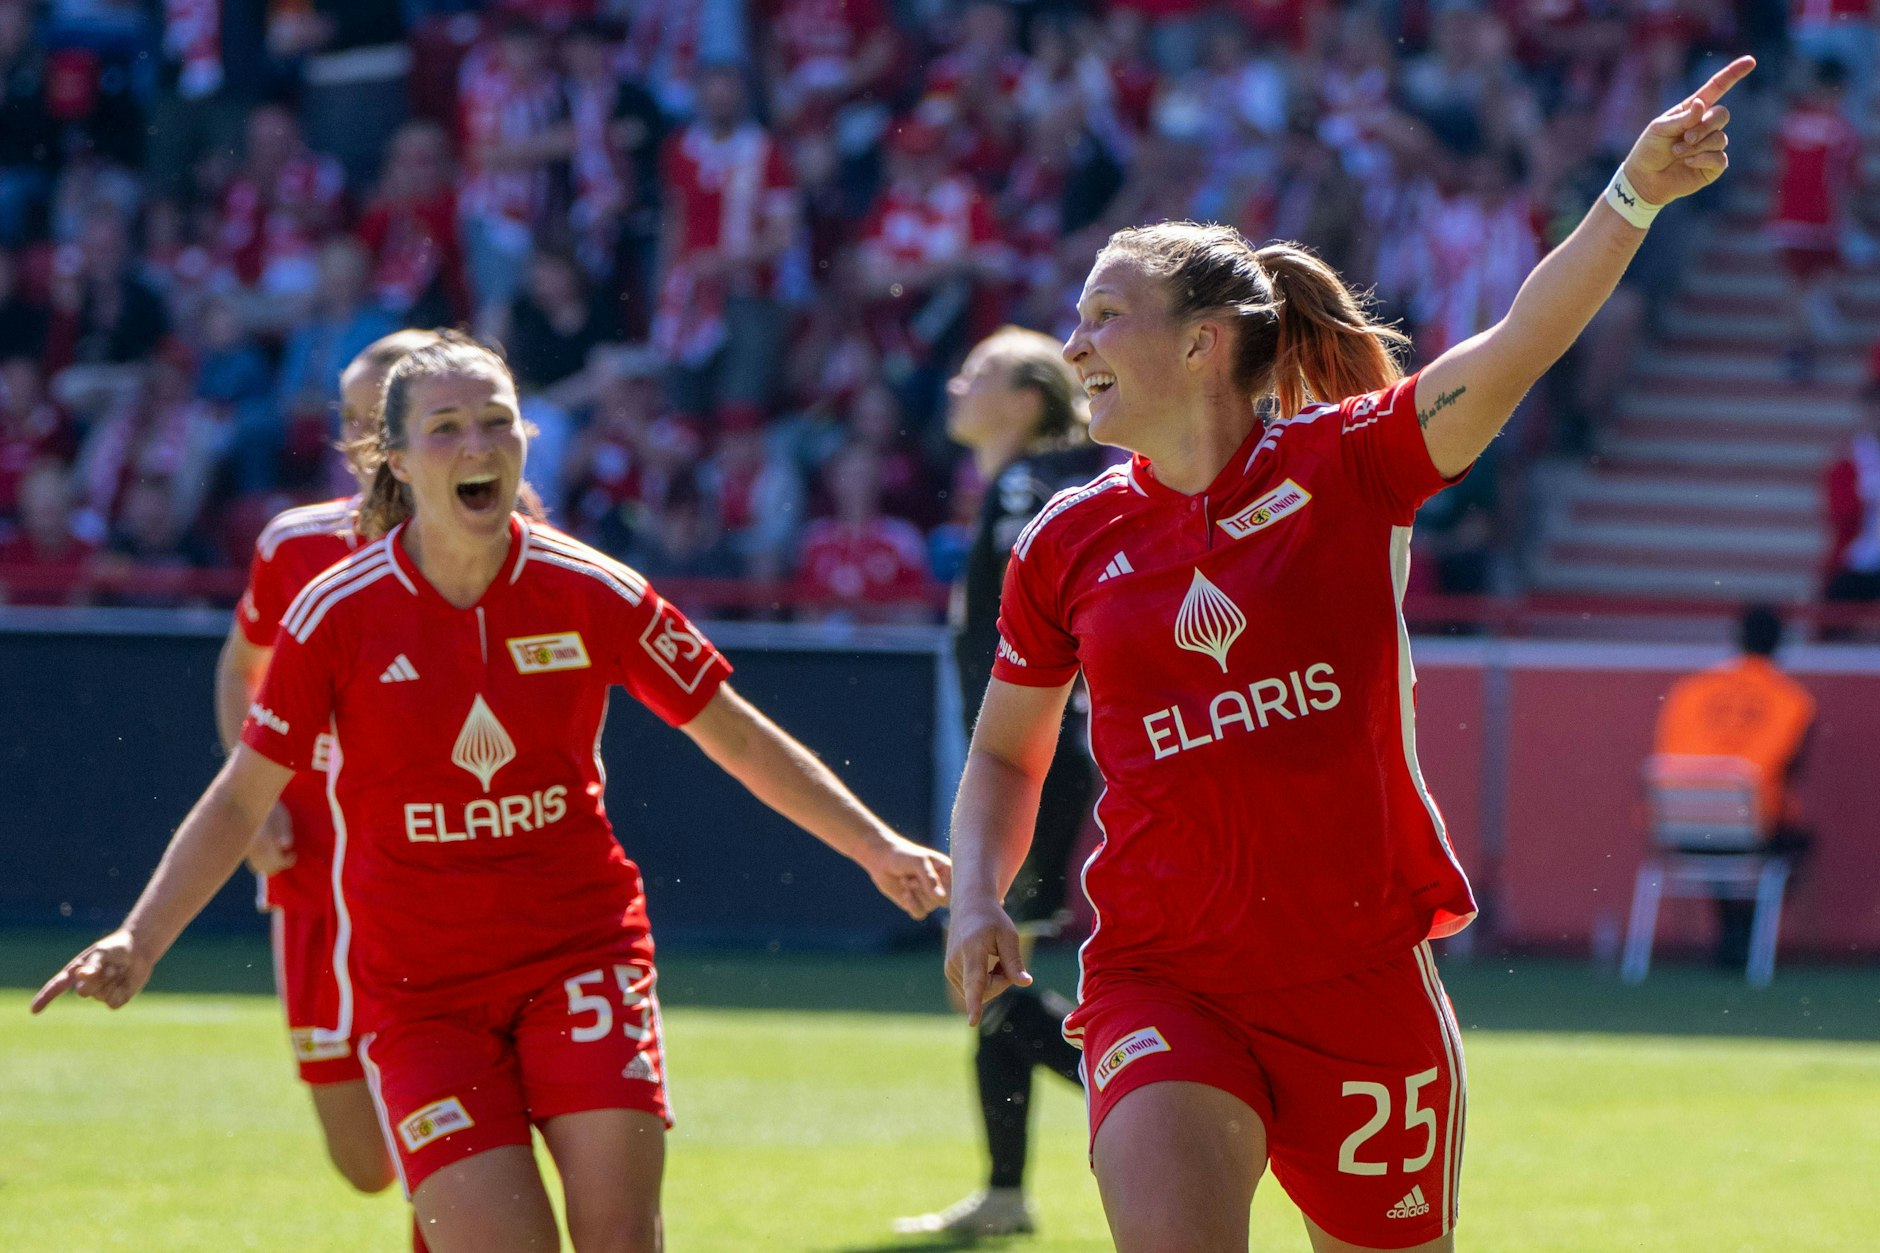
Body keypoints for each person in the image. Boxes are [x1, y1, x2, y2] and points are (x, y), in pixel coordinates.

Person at [945, 57, 1752, 1253]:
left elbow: (1523, 340)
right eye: (1077, 318)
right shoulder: (1064, 537)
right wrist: (974, 895)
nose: (1076, 343)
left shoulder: (1349, 465)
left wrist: (1629, 192)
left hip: (1356, 981)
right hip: (1159, 976)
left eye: (1105, 313)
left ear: (1203, 343)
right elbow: (1009, 755)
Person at [33, 332, 951, 1253]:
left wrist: (878, 845)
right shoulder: (336, 612)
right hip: (417, 990)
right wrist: (138, 938)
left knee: (620, 1238)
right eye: (445, 427)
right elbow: (241, 799)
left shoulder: (590, 588)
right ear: (392, 460)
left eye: (497, 421)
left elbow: (736, 732)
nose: (478, 443)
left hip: (579, 956)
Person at [212, 327, 441, 1200]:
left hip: (439, 885)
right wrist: (253, 797)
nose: (363, 442)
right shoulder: (297, 545)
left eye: (380, 418)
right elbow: (239, 664)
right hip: (314, 881)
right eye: (350, 420)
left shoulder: (501, 545)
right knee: (366, 1166)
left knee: (457, 1133)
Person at [896, 326, 1108, 1238]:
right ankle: (1008, 1192)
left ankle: (1145, 1085)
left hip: (1037, 759)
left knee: (987, 979)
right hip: (1040, 756)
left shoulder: (1029, 489)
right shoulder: (1017, 486)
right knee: (990, 978)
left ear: (1026, 398)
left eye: (977, 372)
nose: (956, 383)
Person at [1652, 605, 1816, 967]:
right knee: (1790, 841)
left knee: (1718, 842)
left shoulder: (1688, 691)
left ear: (1737, 639)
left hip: (1681, 827)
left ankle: (1731, 931)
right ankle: (1746, 931)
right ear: (1779, 644)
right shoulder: (1793, 701)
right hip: (1753, 830)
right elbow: (1789, 769)